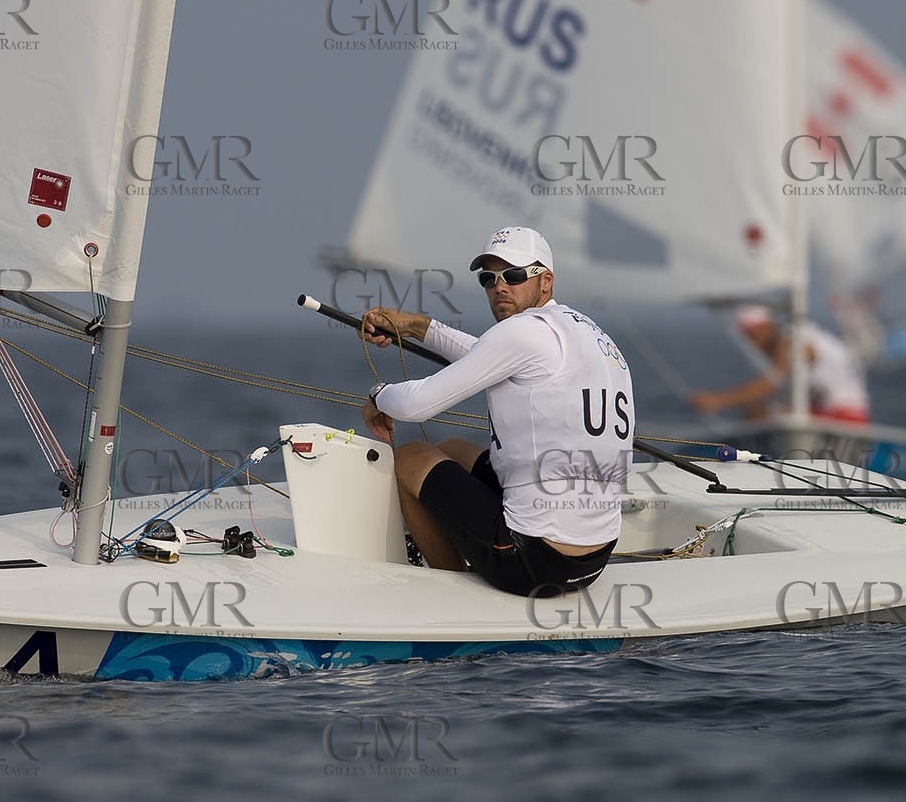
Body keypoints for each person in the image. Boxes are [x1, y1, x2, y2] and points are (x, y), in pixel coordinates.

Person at [359, 226, 635, 598]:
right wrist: (417, 326)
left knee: (409, 457)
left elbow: (414, 405)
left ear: (546, 280)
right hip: (596, 558)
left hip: (533, 562)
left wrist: (378, 396)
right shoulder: (587, 333)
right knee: (453, 448)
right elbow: (486, 356)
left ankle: (454, 589)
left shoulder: (522, 332)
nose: (500, 287)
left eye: (514, 275)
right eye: (489, 279)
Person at [688, 305, 871, 423]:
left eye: (755, 334)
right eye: (747, 336)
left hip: (843, 418)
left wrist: (717, 401)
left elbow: (770, 383)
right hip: (845, 416)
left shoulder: (793, 340)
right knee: (759, 412)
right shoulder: (804, 336)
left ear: (768, 327)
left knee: (759, 415)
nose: (753, 343)